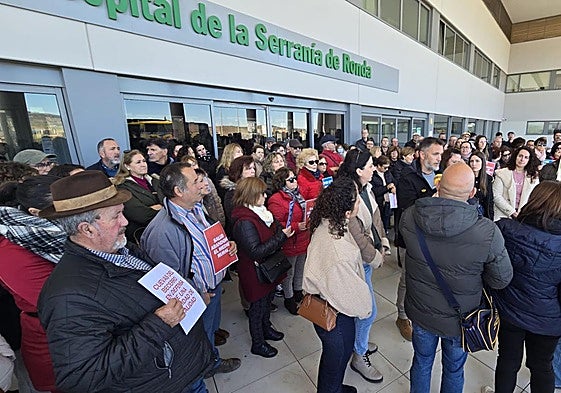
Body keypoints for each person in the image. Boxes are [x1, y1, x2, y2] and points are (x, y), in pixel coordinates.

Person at [38, 170, 214, 393]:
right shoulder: (68, 297)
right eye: (116, 216)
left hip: (183, 370)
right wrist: (158, 325)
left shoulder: (120, 249)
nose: (125, 221)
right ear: (87, 229)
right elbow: (82, 378)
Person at [400, 163, 512, 393]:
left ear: (438, 185)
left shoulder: (409, 216)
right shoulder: (487, 232)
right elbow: (502, 279)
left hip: (421, 311)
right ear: (472, 193)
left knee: (421, 361)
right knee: (454, 369)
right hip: (462, 317)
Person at [141, 163, 241, 379]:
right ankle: (205, 367)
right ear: (179, 191)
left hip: (212, 290)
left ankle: (210, 358)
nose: (202, 184)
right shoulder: (162, 231)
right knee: (199, 335)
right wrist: (195, 296)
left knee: (210, 329)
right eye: (195, 182)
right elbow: (169, 281)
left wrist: (226, 246)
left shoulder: (196, 209)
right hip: (198, 297)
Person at [483, 181, 561, 393]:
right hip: (548, 320)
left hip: (510, 309)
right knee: (542, 366)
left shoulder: (506, 229)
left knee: (508, 359)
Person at [303, 177, 372, 393]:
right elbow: (354, 301)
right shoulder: (337, 250)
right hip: (336, 314)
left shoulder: (328, 222)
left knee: (333, 360)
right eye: (357, 199)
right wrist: (366, 307)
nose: (360, 201)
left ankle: (333, 388)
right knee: (337, 358)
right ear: (347, 212)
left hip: (327, 304)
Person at [0, 175, 65, 392]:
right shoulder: (9, 249)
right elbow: (57, 301)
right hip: (53, 341)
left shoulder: (51, 235)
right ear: (35, 213)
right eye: (64, 207)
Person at [338, 150, 387, 384]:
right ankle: (359, 355)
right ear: (358, 170)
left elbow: (376, 216)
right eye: (369, 165)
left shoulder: (366, 188)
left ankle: (361, 342)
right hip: (356, 260)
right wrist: (374, 257)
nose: (374, 169)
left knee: (363, 309)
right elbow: (355, 232)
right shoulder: (348, 193)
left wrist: (384, 242)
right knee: (368, 310)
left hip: (367, 255)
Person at [231, 177, 293, 358]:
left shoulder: (261, 212)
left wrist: (280, 233)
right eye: (261, 193)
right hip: (255, 272)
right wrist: (281, 237)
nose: (265, 196)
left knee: (267, 302)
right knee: (257, 309)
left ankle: (267, 329)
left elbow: (275, 229)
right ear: (250, 195)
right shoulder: (244, 220)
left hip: (268, 269)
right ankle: (258, 343)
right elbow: (255, 251)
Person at [395, 137, 445, 341]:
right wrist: (433, 199)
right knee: (407, 278)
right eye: (435, 154)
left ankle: (422, 310)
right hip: (413, 238)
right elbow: (407, 210)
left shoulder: (442, 175)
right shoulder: (407, 177)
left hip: (436, 237)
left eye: (441, 154)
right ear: (422, 154)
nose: (439, 158)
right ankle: (402, 316)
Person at [267, 167, 310, 315]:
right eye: (290, 180)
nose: (295, 182)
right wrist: (297, 226)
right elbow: (277, 225)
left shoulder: (299, 195)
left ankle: (298, 293)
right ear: (282, 183)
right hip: (290, 242)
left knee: (300, 270)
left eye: (295, 178)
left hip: (303, 240)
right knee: (289, 274)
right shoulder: (276, 200)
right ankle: (289, 298)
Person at [112, 150, 162, 243]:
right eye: (138, 162)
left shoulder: (155, 180)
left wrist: (157, 208)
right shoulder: (122, 187)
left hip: (163, 229)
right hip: (143, 234)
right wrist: (164, 209)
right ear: (127, 166)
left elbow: (170, 202)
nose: (143, 164)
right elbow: (141, 215)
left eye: (144, 161)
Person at [493, 146, 540, 221]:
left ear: (529, 160)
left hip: (524, 215)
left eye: (526, 157)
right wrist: (512, 212)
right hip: (503, 213)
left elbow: (535, 198)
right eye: (520, 156)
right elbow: (496, 196)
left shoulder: (533, 176)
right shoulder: (501, 173)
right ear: (515, 156)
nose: (522, 159)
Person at [371, 155, 396, 237]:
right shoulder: (373, 175)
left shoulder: (388, 173)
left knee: (387, 216)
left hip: (388, 199)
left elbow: (394, 181)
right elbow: (374, 191)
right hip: (379, 200)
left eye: (388, 167)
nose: (386, 169)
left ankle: (385, 230)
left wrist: (393, 187)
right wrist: (386, 187)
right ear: (378, 166)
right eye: (385, 168)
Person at [468, 151, 494, 219]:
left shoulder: (487, 178)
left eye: (477, 161)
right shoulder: (466, 177)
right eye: (471, 161)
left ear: (482, 162)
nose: (474, 164)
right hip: (468, 210)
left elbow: (489, 200)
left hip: (481, 212)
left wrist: (490, 219)